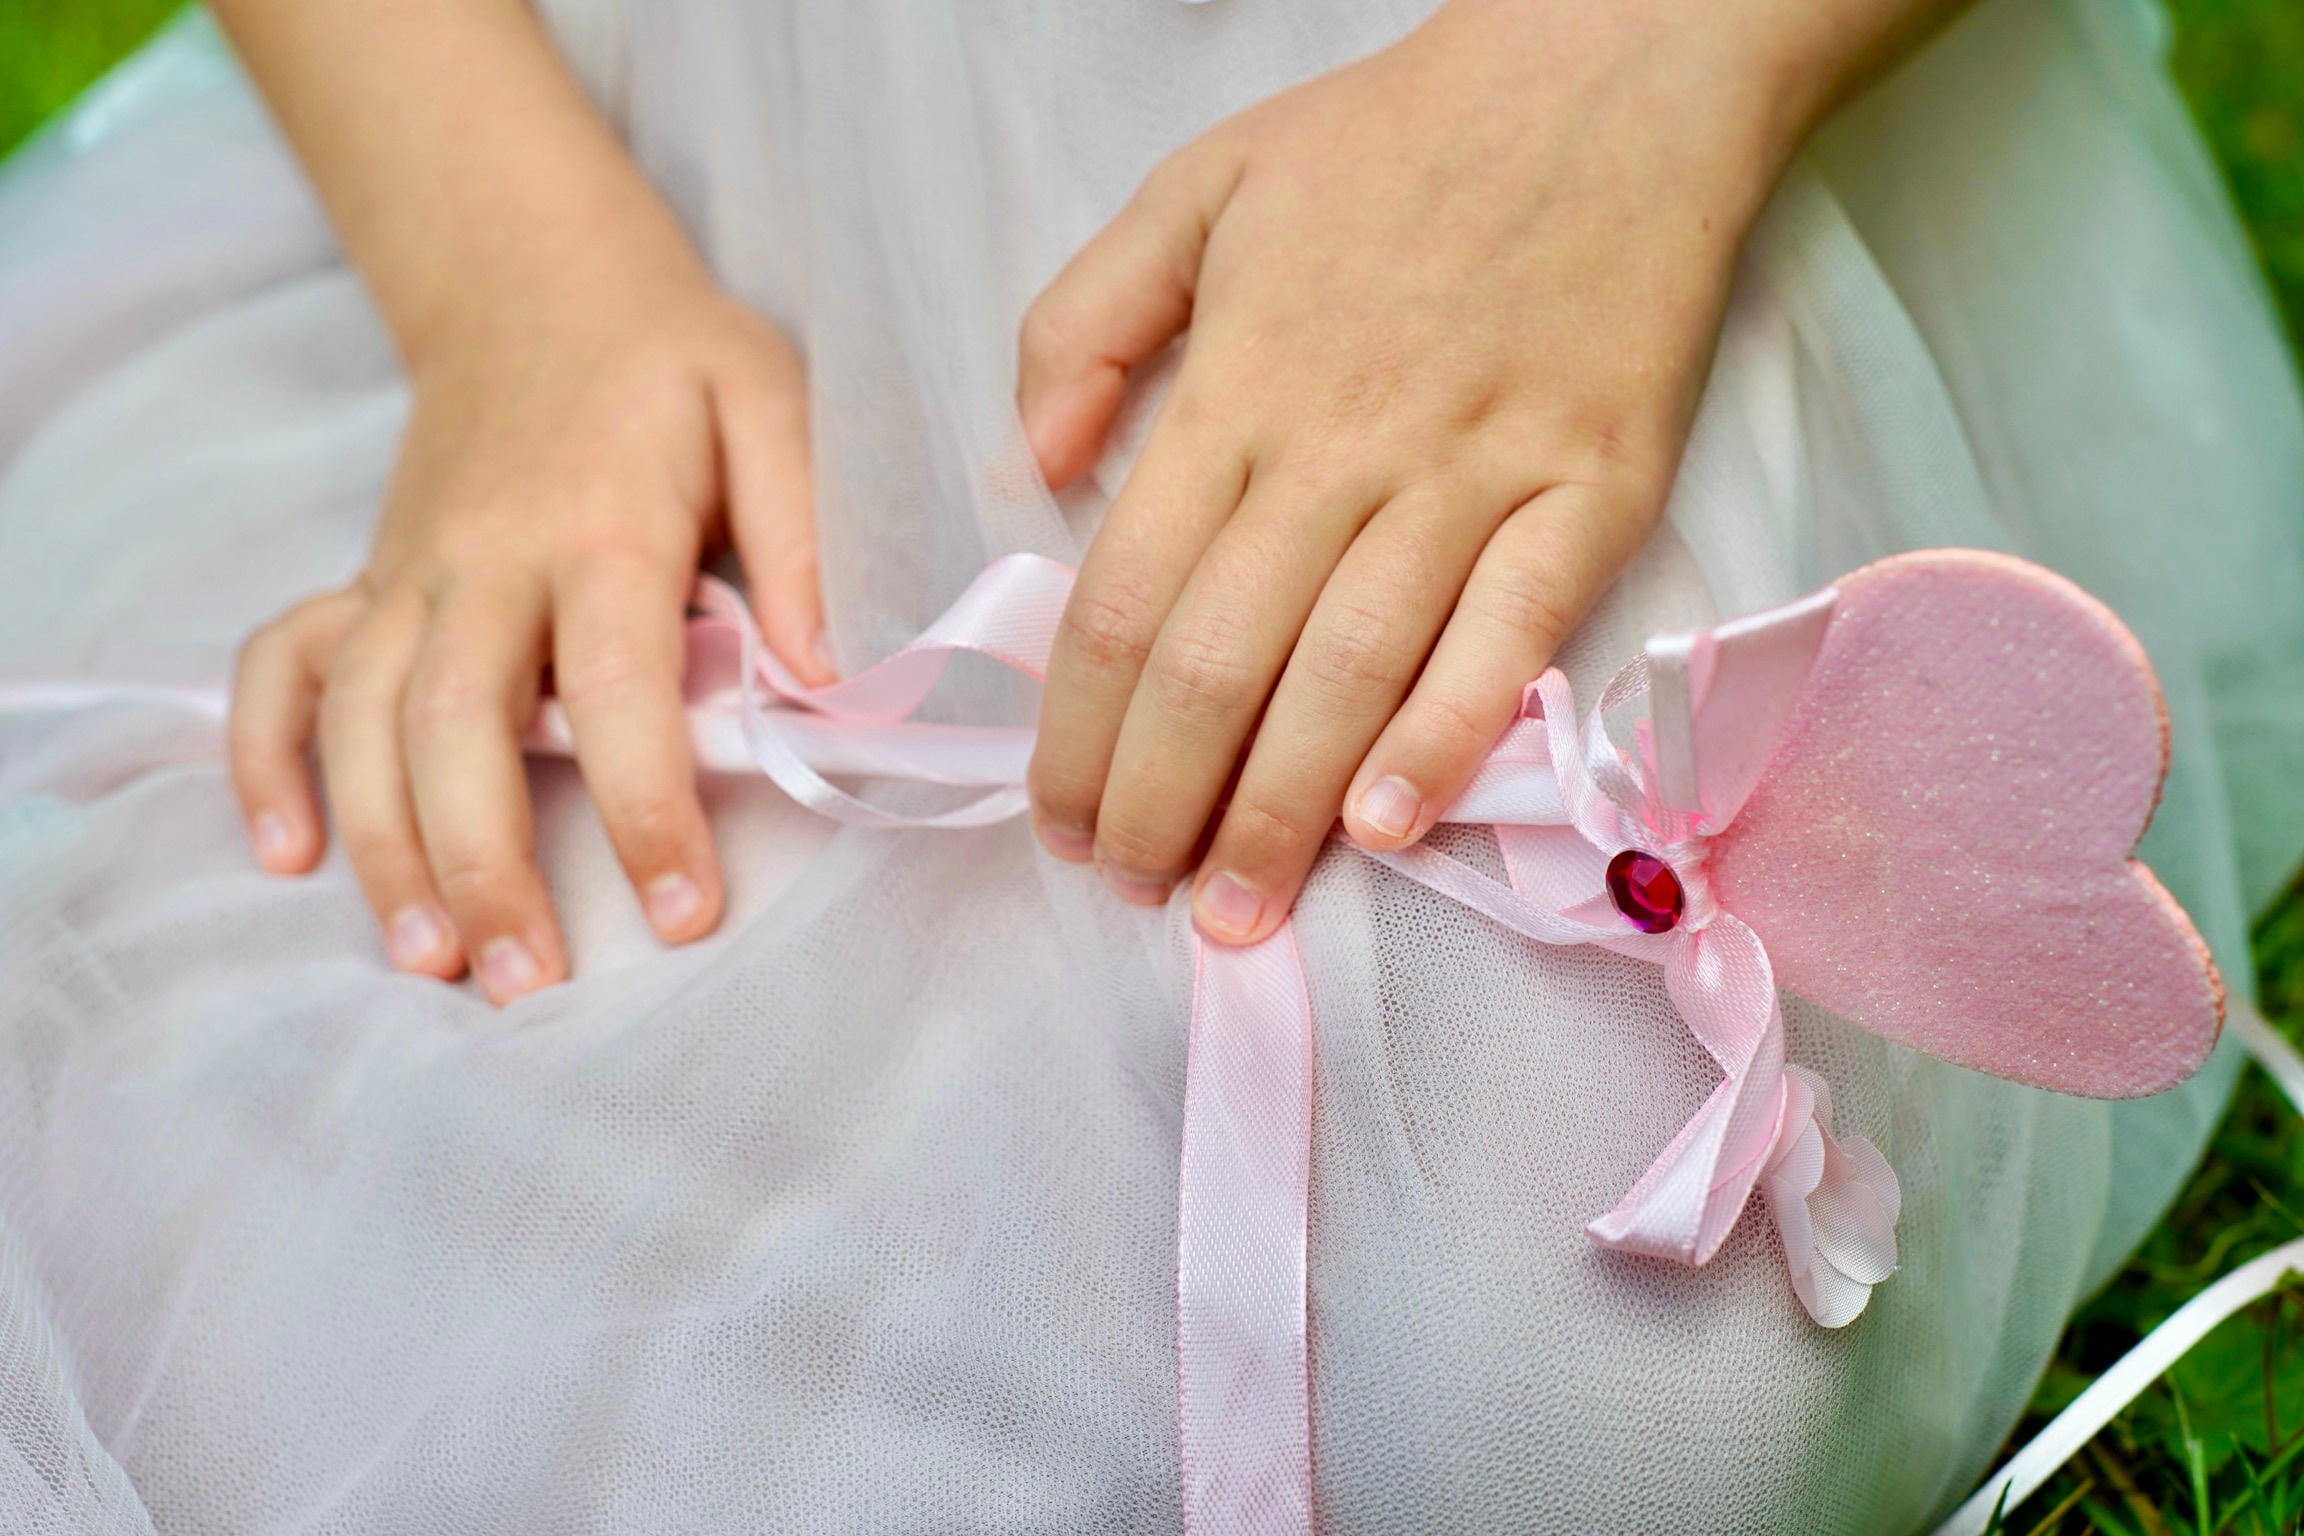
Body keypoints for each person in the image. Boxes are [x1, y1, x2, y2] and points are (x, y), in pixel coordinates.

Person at [0, 0, 2300, 1529]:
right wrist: (517, 277)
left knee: (1569, 1364)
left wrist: (1625, 88)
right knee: (313, 1215)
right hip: (695, 101)